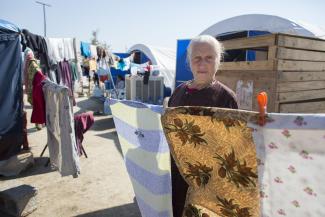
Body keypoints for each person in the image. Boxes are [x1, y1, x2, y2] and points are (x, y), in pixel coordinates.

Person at [168, 35, 238, 217]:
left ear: (218, 60)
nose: (202, 64)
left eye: (209, 58)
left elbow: (233, 145)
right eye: (197, 58)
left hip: (209, 181)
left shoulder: (226, 98)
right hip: (178, 176)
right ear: (189, 62)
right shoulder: (178, 92)